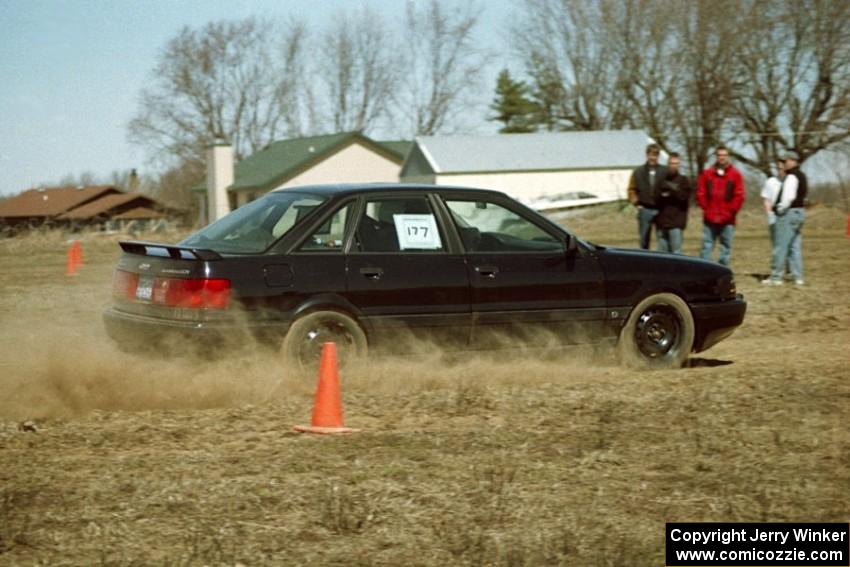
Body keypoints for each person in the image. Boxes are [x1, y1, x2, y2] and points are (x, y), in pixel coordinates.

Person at [695, 146, 745, 266]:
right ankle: (703, 270)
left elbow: (739, 196)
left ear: (728, 157)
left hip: (728, 219)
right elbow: (701, 193)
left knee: (725, 246)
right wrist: (707, 209)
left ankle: (722, 271)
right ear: (716, 157)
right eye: (719, 155)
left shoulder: (735, 175)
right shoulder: (707, 174)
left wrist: (731, 211)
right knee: (707, 245)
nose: (722, 158)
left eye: (724, 155)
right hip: (710, 218)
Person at [762, 151, 806, 286]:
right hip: (800, 212)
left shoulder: (791, 176)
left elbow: (788, 197)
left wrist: (780, 209)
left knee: (780, 246)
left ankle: (776, 277)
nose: (784, 164)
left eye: (785, 161)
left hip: (789, 213)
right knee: (794, 246)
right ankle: (797, 276)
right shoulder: (802, 175)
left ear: (793, 161)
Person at [628, 144, 667, 249]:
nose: (653, 158)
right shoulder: (638, 172)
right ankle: (644, 262)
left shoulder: (664, 171)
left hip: (661, 209)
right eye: (651, 155)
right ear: (647, 155)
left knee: (662, 238)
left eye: (655, 155)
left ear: (658, 156)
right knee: (644, 239)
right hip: (645, 209)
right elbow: (631, 189)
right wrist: (636, 203)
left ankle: (662, 261)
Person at [654, 152, 690, 254]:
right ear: (667, 164)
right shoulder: (661, 180)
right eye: (671, 163)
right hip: (662, 222)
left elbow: (684, 198)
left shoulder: (684, 181)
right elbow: (656, 198)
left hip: (676, 223)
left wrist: (672, 191)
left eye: (676, 163)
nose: (673, 166)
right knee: (662, 254)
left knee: (676, 253)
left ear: (679, 165)